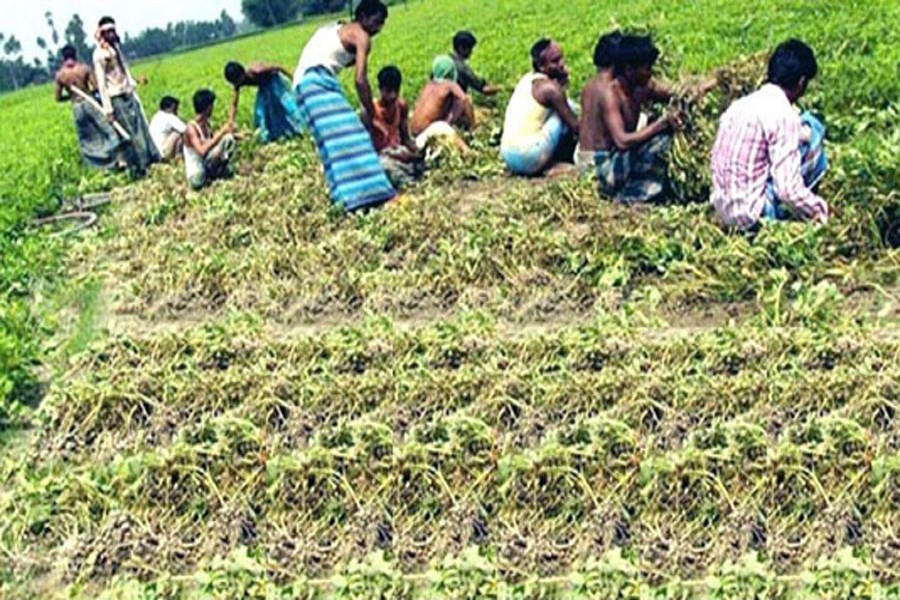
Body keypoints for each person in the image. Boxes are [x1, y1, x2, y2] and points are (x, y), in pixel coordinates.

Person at [711, 39, 828, 229]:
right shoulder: (783, 114)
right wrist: (819, 209)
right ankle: (806, 214)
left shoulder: (739, 106)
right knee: (813, 130)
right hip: (754, 216)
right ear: (801, 82)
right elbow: (787, 189)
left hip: (723, 210)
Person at [292, 0, 396, 211]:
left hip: (303, 84)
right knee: (355, 135)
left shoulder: (337, 27)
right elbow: (360, 80)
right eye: (376, 22)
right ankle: (372, 193)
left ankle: (344, 197)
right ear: (363, 17)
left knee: (331, 141)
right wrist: (372, 113)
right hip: (317, 83)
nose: (378, 29)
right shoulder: (362, 36)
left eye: (381, 24)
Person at [500, 39, 580, 176]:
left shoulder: (528, 79)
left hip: (508, 154)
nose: (562, 64)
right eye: (555, 61)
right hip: (527, 157)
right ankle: (556, 161)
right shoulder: (550, 89)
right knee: (569, 110)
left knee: (563, 108)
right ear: (542, 67)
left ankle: (551, 159)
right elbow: (576, 126)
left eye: (561, 58)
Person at [93, 16, 159, 177]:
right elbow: (102, 83)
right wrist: (108, 108)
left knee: (141, 127)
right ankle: (140, 167)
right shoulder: (100, 54)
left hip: (128, 92)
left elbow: (125, 71)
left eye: (112, 31)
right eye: (107, 32)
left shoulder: (116, 49)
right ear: (101, 33)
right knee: (130, 134)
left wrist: (134, 83)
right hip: (116, 97)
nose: (111, 34)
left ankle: (151, 160)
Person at [54, 44, 125, 170]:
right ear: (75, 55)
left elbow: (58, 98)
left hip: (76, 106)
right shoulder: (84, 69)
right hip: (90, 102)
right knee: (107, 130)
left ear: (63, 58)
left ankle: (99, 167)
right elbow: (96, 87)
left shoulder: (60, 75)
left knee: (86, 139)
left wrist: (70, 97)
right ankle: (119, 159)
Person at [368, 66, 424, 189]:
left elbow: (406, 138)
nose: (393, 95)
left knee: (421, 162)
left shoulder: (401, 106)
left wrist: (417, 152)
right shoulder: (370, 112)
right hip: (382, 157)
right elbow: (367, 149)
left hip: (399, 152)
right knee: (385, 166)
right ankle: (406, 183)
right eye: (388, 91)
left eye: (396, 91)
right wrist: (392, 155)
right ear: (381, 89)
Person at [575, 31, 623, 172]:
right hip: (600, 161)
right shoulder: (612, 88)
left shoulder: (588, 85)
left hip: (581, 157)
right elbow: (622, 139)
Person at [224, 61, 303, 143]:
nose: (235, 84)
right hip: (263, 87)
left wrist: (294, 79)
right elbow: (234, 103)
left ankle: (301, 127)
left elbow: (279, 66)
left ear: (242, 74)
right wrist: (231, 120)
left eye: (236, 81)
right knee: (261, 112)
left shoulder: (257, 71)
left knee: (286, 104)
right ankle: (271, 135)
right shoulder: (238, 82)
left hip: (274, 81)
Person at [410, 55, 474, 151]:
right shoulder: (449, 85)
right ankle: (467, 152)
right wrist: (472, 126)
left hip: (414, 137)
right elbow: (464, 99)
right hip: (428, 136)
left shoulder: (429, 85)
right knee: (442, 126)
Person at [184, 89, 238, 190]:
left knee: (229, 139)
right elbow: (202, 151)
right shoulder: (191, 128)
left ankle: (217, 172)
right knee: (226, 140)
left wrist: (235, 135)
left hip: (205, 167)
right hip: (196, 175)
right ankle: (216, 174)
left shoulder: (207, 124)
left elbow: (211, 142)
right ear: (207, 107)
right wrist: (222, 132)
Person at [448, 31, 500, 97]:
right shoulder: (462, 68)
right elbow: (484, 89)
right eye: (469, 48)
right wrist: (501, 88)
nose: (471, 52)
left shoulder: (442, 63)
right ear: (461, 48)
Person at [149, 96, 187, 162]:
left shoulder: (156, 116)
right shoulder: (169, 117)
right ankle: (177, 159)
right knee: (177, 134)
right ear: (171, 108)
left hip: (154, 153)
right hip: (162, 153)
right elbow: (186, 130)